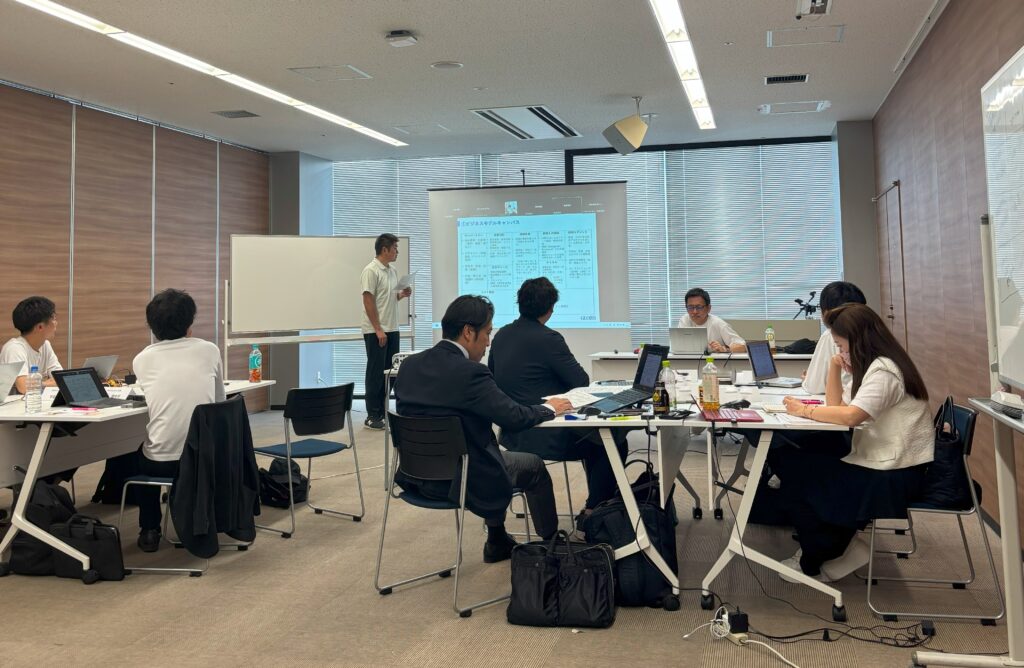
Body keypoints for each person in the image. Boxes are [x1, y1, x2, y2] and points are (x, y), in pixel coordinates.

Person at [394, 295, 573, 563]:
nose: (489, 342)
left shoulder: (409, 366)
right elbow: (514, 417)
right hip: (462, 478)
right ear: (468, 332)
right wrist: (549, 408)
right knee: (532, 465)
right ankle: (551, 546)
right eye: (487, 333)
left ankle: (498, 539)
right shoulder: (471, 373)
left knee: (488, 450)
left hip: (415, 477)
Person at [772, 303, 933, 582]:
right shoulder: (874, 367)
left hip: (894, 474)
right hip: (882, 461)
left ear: (857, 340)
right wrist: (835, 366)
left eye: (840, 345)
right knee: (798, 462)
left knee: (802, 478)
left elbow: (851, 416)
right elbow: (836, 405)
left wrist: (804, 410)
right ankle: (835, 545)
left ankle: (818, 557)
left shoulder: (883, 371)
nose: (840, 351)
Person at [488, 277, 627, 519]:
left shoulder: (501, 336)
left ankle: (601, 503)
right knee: (611, 440)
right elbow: (580, 381)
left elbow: (494, 378)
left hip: (512, 435)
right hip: (548, 433)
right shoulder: (549, 338)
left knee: (599, 439)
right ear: (550, 308)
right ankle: (594, 510)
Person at [132, 289, 225, 552]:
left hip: (163, 462)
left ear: (152, 327)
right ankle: (200, 516)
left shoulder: (142, 359)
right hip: (206, 458)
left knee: (134, 454)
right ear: (189, 324)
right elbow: (219, 401)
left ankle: (150, 529)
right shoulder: (209, 350)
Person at [361, 233, 411, 430]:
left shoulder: (392, 270)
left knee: (390, 372)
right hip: (376, 331)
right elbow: (368, 300)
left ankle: (382, 411)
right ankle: (372, 415)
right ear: (384, 249)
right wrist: (377, 329)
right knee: (375, 372)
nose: (397, 252)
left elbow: (388, 298)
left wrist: (402, 294)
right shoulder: (371, 270)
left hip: (392, 328)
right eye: (395, 248)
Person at [801, 281, 867, 395]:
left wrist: (807, 380)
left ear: (826, 312)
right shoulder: (872, 331)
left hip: (848, 400)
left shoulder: (831, 335)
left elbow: (814, 387)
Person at [0, 296, 63, 394]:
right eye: (54, 318)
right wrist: (47, 383)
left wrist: (38, 384)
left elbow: (61, 379)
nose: (56, 323)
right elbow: (24, 388)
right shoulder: (14, 348)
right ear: (40, 327)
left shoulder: (45, 345)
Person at [676, 288, 745, 353]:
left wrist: (724, 349)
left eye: (699, 307)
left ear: (708, 308)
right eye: (690, 307)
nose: (694, 312)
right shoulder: (684, 320)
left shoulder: (718, 323)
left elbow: (743, 346)